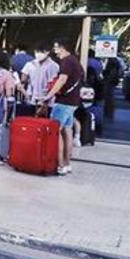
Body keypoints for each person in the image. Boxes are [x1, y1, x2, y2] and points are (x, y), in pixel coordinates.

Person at [44, 38, 84, 175]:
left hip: (63, 102)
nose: (55, 51)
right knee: (67, 132)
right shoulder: (76, 62)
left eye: (56, 47)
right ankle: (67, 164)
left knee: (56, 132)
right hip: (73, 102)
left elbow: (62, 79)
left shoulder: (66, 61)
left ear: (64, 48)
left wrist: (49, 95)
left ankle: (60, 164)